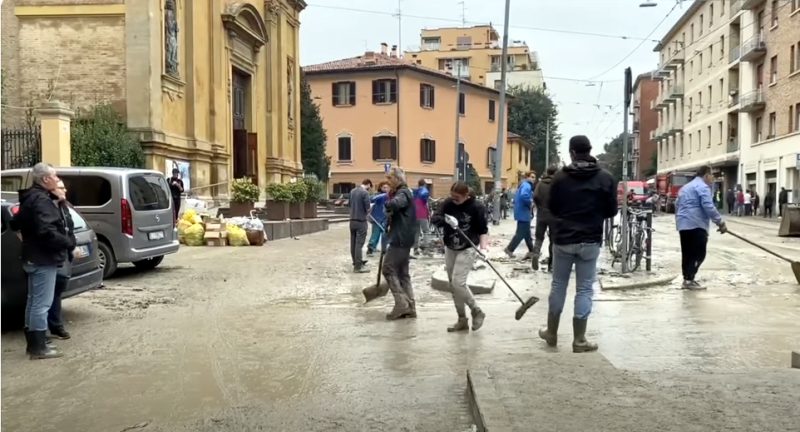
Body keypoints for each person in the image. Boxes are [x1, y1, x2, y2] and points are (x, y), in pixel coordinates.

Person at [538, 136, 616, 353]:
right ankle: (579, 340)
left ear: (572, 152)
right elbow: (611, 211)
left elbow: (551, 207)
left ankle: (551, 333)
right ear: (590, 150)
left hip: (563, 239)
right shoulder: (605, 178)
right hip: (590, 239)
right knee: (584, 288)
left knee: (558, 285)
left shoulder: (560, 178)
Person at [11, 163, 76, 360]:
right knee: (41, 303)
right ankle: (39, 347)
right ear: (46, 179)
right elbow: (47, 231)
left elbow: (15, 223)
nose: (57, 179)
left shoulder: (30, 197)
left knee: (34, 301)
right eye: (55, 176)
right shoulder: (41, 200)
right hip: (43, 258)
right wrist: (68, 243)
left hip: (33, 256)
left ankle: (35, 342)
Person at [431, 182, 488, 332]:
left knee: (458, 283)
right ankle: (462, 320)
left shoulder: (476, 207)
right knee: (453, 285)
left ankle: (476, 310)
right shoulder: (448, 203)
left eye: (457, 197)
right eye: (452, 196)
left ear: (466, 195)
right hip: (450, 248)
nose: (453, 199)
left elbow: (483, 230)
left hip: (467, 248)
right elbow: (434, 218)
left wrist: (483, 249)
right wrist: (445, 220)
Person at [675, 165, 727, 290]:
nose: (713, 178)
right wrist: (720, 222)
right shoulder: (703, 187)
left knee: (687, 253)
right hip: (696, 224)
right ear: (706, 175)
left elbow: (677, 204)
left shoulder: (685, 187)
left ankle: (687, 280)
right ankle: (689, 279)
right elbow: (708, 206)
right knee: (699, 254)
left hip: (683, 224)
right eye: (712, 175)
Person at [382, 168, 417, 320]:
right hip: (405, 237)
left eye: (390, 179)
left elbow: (396, 204)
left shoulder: (402, 193)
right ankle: (410, 306)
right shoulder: (406, 192)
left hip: (400, 238)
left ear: (397, 179)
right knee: (403, 274)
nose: (387, 182)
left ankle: (402, 304)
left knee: (388, 269)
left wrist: (388, 203)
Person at [48, 180, 78, 341]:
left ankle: (55, 325)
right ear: (51, 190)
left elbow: (70, 229)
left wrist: (72, 246)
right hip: (52, 256)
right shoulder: (48, 208)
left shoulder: (64, 206)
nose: (64, 190)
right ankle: (45, 329)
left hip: (65, 254)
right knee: (47, 294)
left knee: (57, 291)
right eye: (60, 187)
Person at [504, 171, 535, 259]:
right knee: (520, 233)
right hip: (524, 213)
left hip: (521, 212)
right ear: (527, 177)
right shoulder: (527, 185)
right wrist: (531, 202)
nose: (534, 179)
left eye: (534, 177)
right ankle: (509, 249)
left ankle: (532, 251)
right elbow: (524, 195)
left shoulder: (523, 185)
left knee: (527, 234)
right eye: (532, 177)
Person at [531, 166, 557, 271]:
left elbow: (535, 196)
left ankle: (536, 254)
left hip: (541, 214)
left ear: (547, 172)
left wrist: (540, 206)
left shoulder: (540, 183)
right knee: (553, 240)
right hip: (554, 215)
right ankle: (551, 264)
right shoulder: (557, 184)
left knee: (539, 237)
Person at [349, 179, 372, 273]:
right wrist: (370, 208)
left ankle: (356, 262)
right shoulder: (365, 193)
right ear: (368, 184)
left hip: (352, 220)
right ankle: (358, 267)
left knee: (353, 243)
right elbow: (368, 208)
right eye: (370, 187)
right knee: (359, 244)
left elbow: (349, 204)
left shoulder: (352, 191)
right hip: (361, 221)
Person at [366, 182, 390, 256]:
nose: (386, 189)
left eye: (387, 187)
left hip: (385, 218)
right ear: (381, 188)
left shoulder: (389, 196)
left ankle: (383, 249)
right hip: (377, 218)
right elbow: (371, 199)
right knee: (375, 234)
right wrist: (383, 195)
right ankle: (370, 249)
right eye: (384, 187)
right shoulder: (377, 195)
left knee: (384, 234)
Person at [412, 179, 431, 256]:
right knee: (426, 231)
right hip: (422, 213)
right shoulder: (424, 190)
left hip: (415, 214)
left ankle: (415, 249)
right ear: (424, 184)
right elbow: (424, 195)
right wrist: (425, 200)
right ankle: (425, 248)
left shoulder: (414, 191)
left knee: (416, 231)